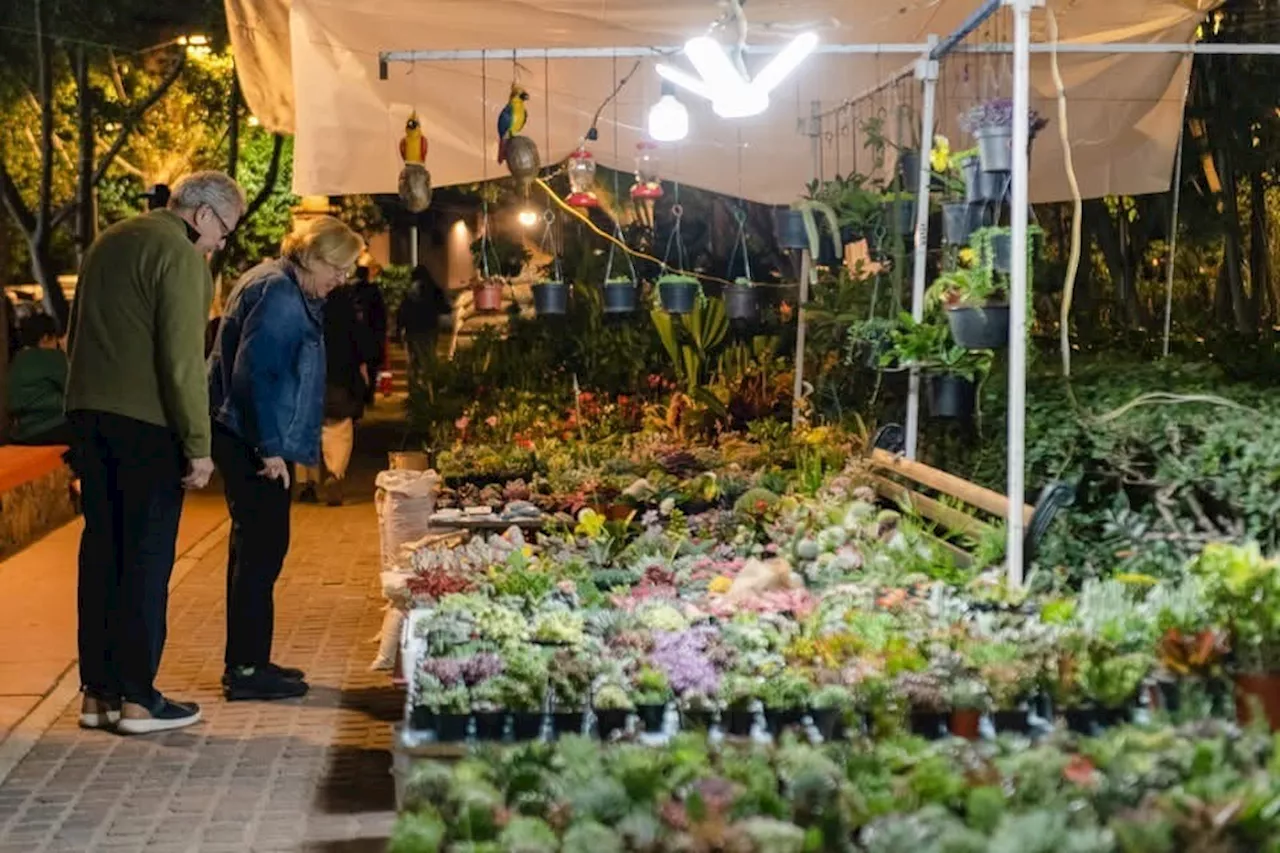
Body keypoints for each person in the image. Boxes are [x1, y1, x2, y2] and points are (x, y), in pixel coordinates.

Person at [67, 170, 245, 735]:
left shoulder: (110, 240)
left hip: (88, 415)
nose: (221, 243)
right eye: (224, 230)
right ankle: (140, 699)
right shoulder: (182, 257)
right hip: (145, 426)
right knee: (145, 559)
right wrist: (198, 445)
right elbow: (183, 361)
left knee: (102, 554)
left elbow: (78, 334)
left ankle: (98, 695)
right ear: (202, 215)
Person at [208, 215, 363, 702]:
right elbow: (257, 376)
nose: (340, 281)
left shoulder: (272, 282)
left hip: (248, 435)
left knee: (255, 551)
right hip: (254, 441)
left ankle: (251, 660)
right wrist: (270, 448)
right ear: (314, 257)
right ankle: (248, 670)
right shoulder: (278, 293)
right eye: (337, 270)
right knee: (262, 551)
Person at [296, 282, 375, 506]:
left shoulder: (306, 314)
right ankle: (335, 473)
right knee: (338, 430)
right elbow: (362, 351)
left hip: (308, 381)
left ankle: (306, 483)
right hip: (340, 382)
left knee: (306, 432)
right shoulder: (349, 319)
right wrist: (364, 380)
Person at [7, 312, 71, 446]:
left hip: (21, 430)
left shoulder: (18, 359)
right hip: (49, 426)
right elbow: (73, 387)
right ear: (45, 338)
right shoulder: (52, 357)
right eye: (55, 338)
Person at [395, 265, 451, 382]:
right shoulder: (434, 289)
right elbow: (445, 308)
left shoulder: (410, 291)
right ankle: (429, 386)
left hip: (413, 330)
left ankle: (415, 387)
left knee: (415, 359)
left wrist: (399, 330)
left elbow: (402, 312)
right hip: (430, 329)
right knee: (429, 358)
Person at [350, 265, 387, 405]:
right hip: (372, 336)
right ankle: (369, 395)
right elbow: (381, 316)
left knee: (357, 366)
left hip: (357, 336)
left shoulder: (351, 291)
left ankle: (360, 395)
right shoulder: (374, 291)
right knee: (372, 368)